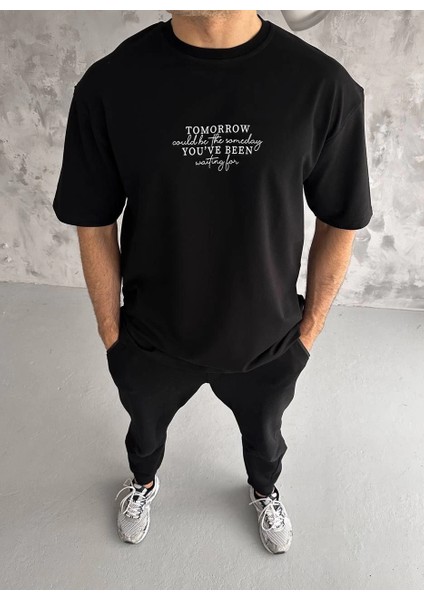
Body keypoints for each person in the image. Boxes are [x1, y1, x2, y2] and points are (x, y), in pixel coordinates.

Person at [52, 10, 373, 554]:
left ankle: (264, 490)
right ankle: (143, 482)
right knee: (143, 434)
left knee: (266, 441)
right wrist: (111, 332)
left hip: (269, 341)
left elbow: (342, 217)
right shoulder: (110, 85)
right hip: (150, 339)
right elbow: (93, 219)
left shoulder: (323, 87)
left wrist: (309, 331)